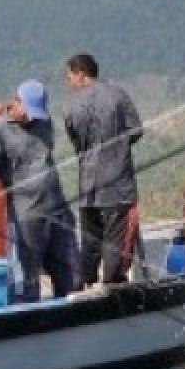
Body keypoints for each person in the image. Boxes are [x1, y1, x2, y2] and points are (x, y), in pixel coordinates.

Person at [0, 80, 79, 303]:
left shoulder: (44, 124)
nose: (32, 117)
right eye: (28, 111)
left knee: (71, 277)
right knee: (26, 282)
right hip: (26, 217)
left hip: (58, 210)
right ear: (17, 103)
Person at [62, 53, 143, 287]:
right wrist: (117, 148)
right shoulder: (118, 94)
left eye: (70, 77)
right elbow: (135, 130)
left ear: (81, 73)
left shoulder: (70, 104)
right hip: (118, 183)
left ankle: (86, 282)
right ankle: (112, 284)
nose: (69, 82)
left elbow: (76, 142)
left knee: (90, 239)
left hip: (88, 184)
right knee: (115, 238)